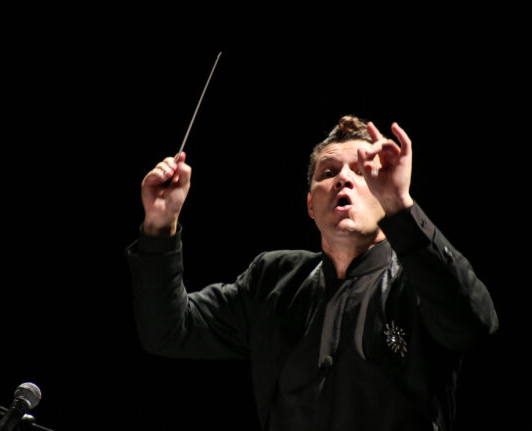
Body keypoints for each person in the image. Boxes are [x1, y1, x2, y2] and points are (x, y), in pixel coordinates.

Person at [126, 115, 498, 430]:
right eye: (329, 172)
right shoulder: (273, 280)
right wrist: (159, 225)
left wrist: (402, 206)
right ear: (309, 205)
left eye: (362, 172)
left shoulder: (418, 281)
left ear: (385, 193)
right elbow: (168, 331)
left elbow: (474, 324)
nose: (343, 179)